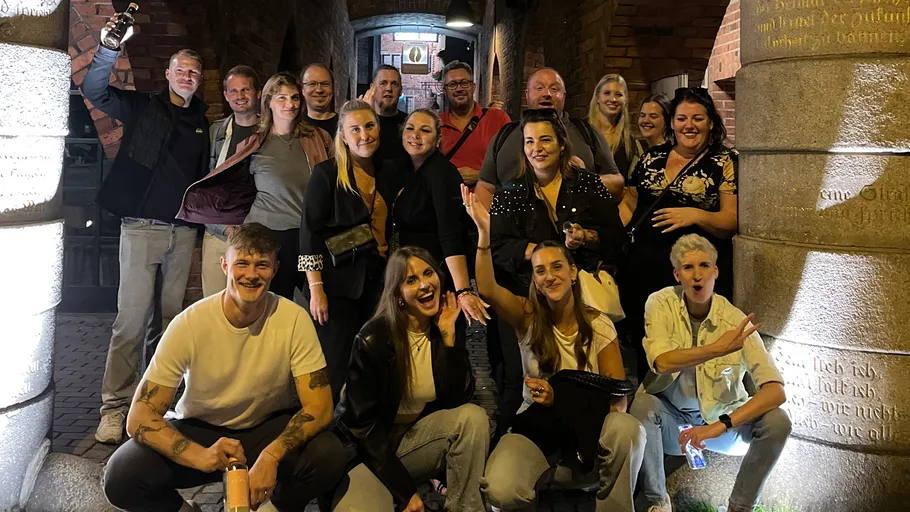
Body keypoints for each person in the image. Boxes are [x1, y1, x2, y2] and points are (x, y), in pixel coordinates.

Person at [101, 224, 346, 512]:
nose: (251, 274)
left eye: (262, 265)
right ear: (225, 265)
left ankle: (273, 508)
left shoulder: (293, 318)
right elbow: (138, 417)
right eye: (242, 263)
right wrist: (200, 456)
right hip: (200, 428)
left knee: (328, 454)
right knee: (121, 476)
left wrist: (271, 456)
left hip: (265, 428)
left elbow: (320, 407)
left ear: (275, 270)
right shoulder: (189, 323)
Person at [462, 186, 645, 510]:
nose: (549, 276)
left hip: (586, 435)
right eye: (540, 270)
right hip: (538, 430)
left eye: (557, 267)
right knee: (500, 489)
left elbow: (617, 398)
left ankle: (601, 495)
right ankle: (548, 480)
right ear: (534, 279)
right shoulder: (527, 316)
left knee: (627, 428)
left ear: (573, 272)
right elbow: (488, 289)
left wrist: (564, 401)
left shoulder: (599, 324)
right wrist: (484, 235)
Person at [83, 17, 208, 444]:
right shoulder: (142, 107)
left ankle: (154, 404)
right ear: (168, 74)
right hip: (140, 229)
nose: (187, 76)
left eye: (194, 72)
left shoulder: (203, 121)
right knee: (131, 322)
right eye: (181, 70)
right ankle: (114, 408)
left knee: (170, 323)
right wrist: (108, 50)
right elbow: (95, 91)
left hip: (182, 233)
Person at [487, 109, 625, 439]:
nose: (537, 148)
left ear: (562, 144)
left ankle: (588, 441)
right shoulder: (510, 191)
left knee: (582, 372)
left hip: (579, 299)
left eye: (545, 139)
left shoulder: (587, 184)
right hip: (527, 298)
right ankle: (512, 441)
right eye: (529, 141)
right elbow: (497, 247)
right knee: (517, 378)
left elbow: (617, 238)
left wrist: (586, 237)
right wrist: (539, 253)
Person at [629, 234, 790, 512]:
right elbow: (662, 362)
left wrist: (719, 425)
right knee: (642, 404)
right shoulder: (660, 303)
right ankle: (658, 502)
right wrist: (717, 349)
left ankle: (740, 507)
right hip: (674, 423)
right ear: (677, 274)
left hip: (721, 425)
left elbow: (776, 391)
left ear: (715, 272)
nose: (697, 275)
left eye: (704, 266)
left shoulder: (734, 320)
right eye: (688, 267)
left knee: (778, 421)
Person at [329, 247, 489, 512]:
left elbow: (457, 399)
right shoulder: (373, 338)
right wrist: (406, 491)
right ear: (398, 294)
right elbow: (362, 428)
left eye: (428, 273)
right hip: (366, 453)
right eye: (411, 280)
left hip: (410, 440)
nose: (425, 285)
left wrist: (449, 340)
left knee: (473, 418)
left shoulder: (443, 326)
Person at [618, 87, 738, 383]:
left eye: (698, 118)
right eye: (682, 118)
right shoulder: (652, 157)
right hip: (644, 269)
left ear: (711, 122)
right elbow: (630, 203)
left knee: (695, 341)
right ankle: (650, 397)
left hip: (694, 273)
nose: (689, 125)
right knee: (649, 339)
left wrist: (695, 215)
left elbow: (731, 220)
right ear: (671, 123)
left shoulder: (724, 161)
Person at [178, 72, 334, 300]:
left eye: (294, 97)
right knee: (265, 305)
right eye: (282, 98)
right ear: (268, 102)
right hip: (266, 235)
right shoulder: (253, 143)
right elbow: (237, 189)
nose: (290, 104)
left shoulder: (318, 137)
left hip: (308, 235)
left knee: (317, 305)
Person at [299, 99, 403, 404]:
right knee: (338, 365)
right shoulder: (327, 173)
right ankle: (332, 425)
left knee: (373, 362)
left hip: (379, 284)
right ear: (343, 135)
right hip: (336, 285)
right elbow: (310, 233)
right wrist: (316, 288)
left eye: (369, 126)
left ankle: (366, 423)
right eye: (354, 129)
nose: (364, 135)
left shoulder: (390, 170)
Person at [475, 68, 624, 208]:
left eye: (554, 89)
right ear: (527, 94)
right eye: (539, 88)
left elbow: (617, 186)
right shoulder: (504, 134)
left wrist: (585, 179)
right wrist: (491, 223)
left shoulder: (586, 132)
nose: (546, 94)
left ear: (564, 96)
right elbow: (485, 187)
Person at [398, 108, 489, 326]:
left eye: (425, 130)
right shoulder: (407, 169)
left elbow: (451, 233)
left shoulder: (441, 173)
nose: (415, 135)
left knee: (443, 339)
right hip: (414, 274)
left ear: (438, 139)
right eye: (410, 128)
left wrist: (463, 290)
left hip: (436, 278)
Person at [202, 65, 261, 297]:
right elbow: (204, 184)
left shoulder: (271, 132)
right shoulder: (215, 132)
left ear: (257, 93)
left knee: (254, 303)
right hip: (219, 233)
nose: (240, 96)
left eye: (245, 89)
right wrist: (224, 228)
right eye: (234, 91)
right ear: (226, 95)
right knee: (213, 303)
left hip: (257, 234)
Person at [438, 60, 512, 186]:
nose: (459, 88)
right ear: (445, 90)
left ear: (473, 87)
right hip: (446, 197)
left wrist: (480, 176)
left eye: (464, 83)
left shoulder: (498, 119)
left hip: (487, 196)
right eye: (452, 84)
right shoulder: (436, 126)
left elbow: (513, 164)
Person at [588, 74, 642, 179]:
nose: (613, 99)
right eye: (607, 93)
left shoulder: (630, 143)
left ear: (625, 100)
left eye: (618, 94)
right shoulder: (580, 132)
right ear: (598, 98)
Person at [364, 64, 408, 159]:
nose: (389, 89)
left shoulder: (409, 124)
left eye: (394, 84)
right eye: (383, 83)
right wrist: (365, 115)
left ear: (400, 90)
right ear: (372, 88)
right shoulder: (361, 123)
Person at [301, 63, 339, 135]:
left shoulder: (345, 125)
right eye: (312, 84)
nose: (319, 90)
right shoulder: (294, 126)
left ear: (333, 88)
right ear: (302, 89)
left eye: (325, 84)